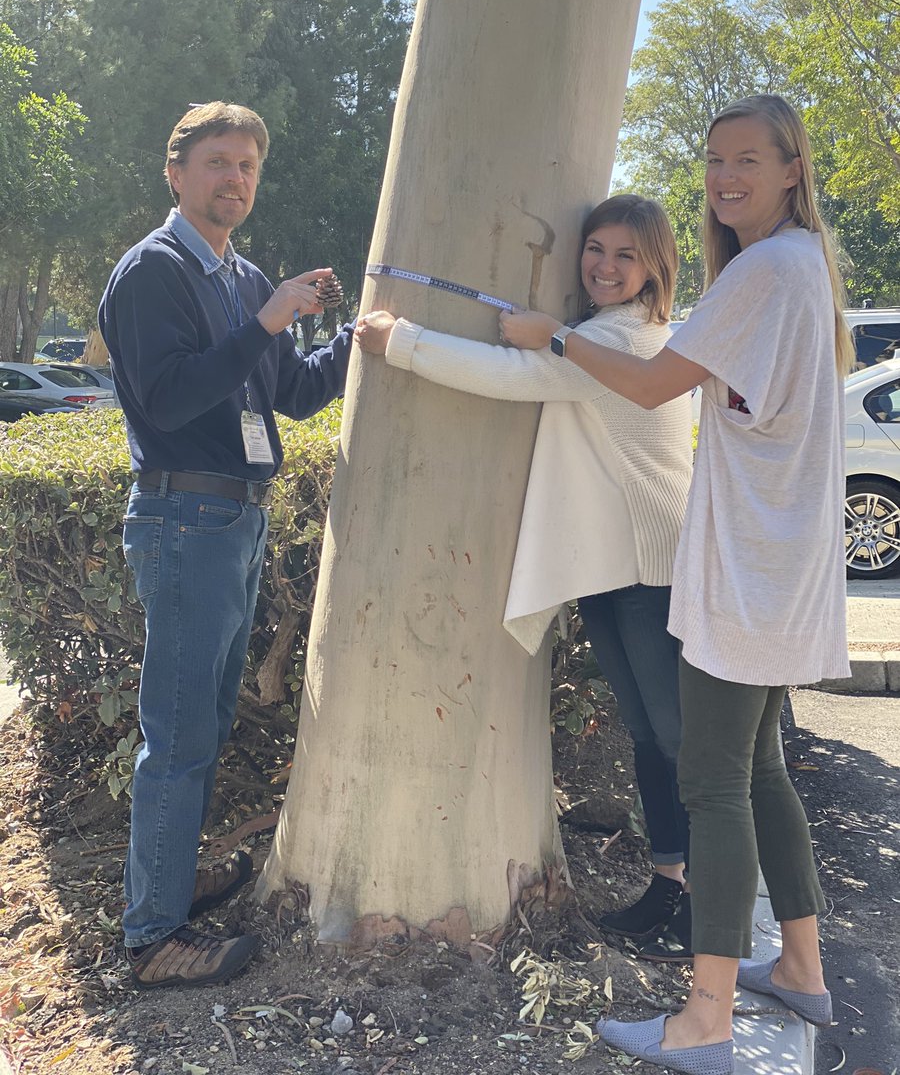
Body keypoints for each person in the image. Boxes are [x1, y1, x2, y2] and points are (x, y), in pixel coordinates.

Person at [500, 95, 852, 1075]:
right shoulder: (802, 265)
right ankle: (804, 973)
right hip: (780, 564)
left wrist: (552, 334)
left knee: (711, 785)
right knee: (762, 774)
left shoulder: (763, 268)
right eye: (713, 159)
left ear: (792, 169)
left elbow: (653, 383)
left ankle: (705, 1017)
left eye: (748, 158)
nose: (724, 174)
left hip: (749, 570)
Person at [355, 194, 694, 954]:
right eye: (596, 249)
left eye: (625, 255)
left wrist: (402, 340)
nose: (605, 266)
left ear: (655, 268)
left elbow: (511, 374)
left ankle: (708, 897)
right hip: (614, 567)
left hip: (655, 567)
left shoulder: (626, 341)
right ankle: (671, 884)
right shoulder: (597, 336)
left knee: (678, 739)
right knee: (647, 735)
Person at [99, 102, 353, 990]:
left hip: (238, 520)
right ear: (176, 173)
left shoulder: (244, 279)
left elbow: (295, 394)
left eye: (247, 164)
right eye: (217, 162)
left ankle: (167, 885)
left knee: (201, 725)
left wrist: (359, 338)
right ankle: (152, 939)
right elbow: (168, 400)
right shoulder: (153, 272)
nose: (234, 178)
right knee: (175, 736)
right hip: (182, 524)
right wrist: (271, 318)